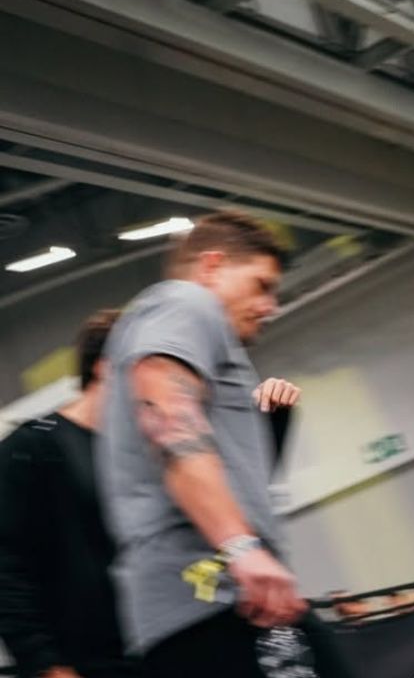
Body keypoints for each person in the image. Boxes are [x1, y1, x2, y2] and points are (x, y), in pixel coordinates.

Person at [98, 210, 349, 678]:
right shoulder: (186, 303)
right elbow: (166, 407)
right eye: (261, 285)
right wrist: (240, 549)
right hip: (214, 601)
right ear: (212, 266)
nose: (270, 305)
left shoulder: (192, 330)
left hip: (216, 603)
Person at [0, 309, 140, 678]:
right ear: (107, 368)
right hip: (82, 664)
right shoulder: (31, 448)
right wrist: (46, 664)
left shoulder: (146, 453)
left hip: (155, 652)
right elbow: (5, 568)